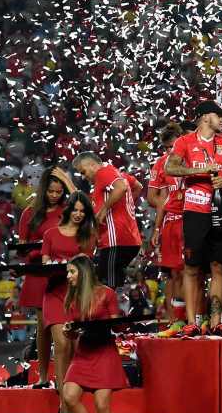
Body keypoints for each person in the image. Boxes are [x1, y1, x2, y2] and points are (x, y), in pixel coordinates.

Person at [165, 100, 222, 337]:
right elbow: (171, 168)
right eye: (220, 116)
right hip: (195, 210)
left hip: (219, 211)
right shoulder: (184, 142)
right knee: (192, 266)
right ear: (206, 117)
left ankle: (216, 322)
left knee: (218, 265)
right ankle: (191, 322)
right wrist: (198, 172)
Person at [61, 255, 128, 413]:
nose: (68, 276)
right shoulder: (72, 298)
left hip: (104, 352)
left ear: (83, 272)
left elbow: (117, 327)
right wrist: (68, 332)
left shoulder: (107, 293)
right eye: (68, 272)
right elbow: (72, 333)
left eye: (72, 272)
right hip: (84, 352)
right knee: (69, 396)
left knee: (102, 405)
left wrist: (121, 323)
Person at [42, 192, 97, 413]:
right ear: (68, 210)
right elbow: (45, 263)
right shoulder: (50, 234)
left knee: (75, 348)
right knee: (62, 346)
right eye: (75, 209)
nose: (78, 214)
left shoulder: (88, 235)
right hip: (54, 294)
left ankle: (71, 397)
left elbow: (87, 269)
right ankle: (64, 402)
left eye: (82, 211)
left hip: (77, 296)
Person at [16, 166, 73, 387]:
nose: (54, 195)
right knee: (43, 326)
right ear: (43, 190)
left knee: (63, 326)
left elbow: (82, 215)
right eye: (51, 191)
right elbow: (22, 249)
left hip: (60, 273)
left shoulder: (68, 210)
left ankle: (66, 375)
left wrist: (67, 180)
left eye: (59, 192)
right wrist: (39, 250)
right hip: (38, 273)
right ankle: (42, 375)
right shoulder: (29, 212)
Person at [71, 152, 142, 289]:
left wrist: (103, 210)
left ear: (92, 164)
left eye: (83, 171)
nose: (84, 176)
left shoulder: (103, 172)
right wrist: (126, 206)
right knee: (110, 283)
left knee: (106, 286)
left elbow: (121, 187)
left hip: (115, 240)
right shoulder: (118, 174)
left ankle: (110, 311)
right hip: (128, 238)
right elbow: (137, 186)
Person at [148, 122, 188, 338]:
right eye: (165, 148)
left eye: (172, 146)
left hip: (192, 219)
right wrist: (156, 228)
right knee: (173, 274)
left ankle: (193, 319)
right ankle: (175, 321)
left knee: (192, 272)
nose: (169, 152)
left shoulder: (192, 158)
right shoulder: (161, 164)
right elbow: (154, 197)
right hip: (172, 222)